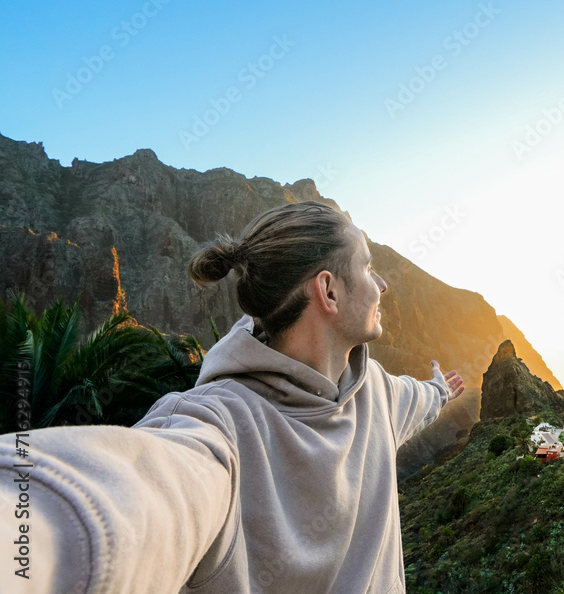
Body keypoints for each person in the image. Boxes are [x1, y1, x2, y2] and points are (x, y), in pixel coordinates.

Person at [0, 201, 465, 593]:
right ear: (328, 291)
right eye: (366, 266)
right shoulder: (218, 425)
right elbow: (143, 486)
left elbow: (419, 400)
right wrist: (37, 537)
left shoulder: (378, 391)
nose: (381, 284)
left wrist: (440, 390)